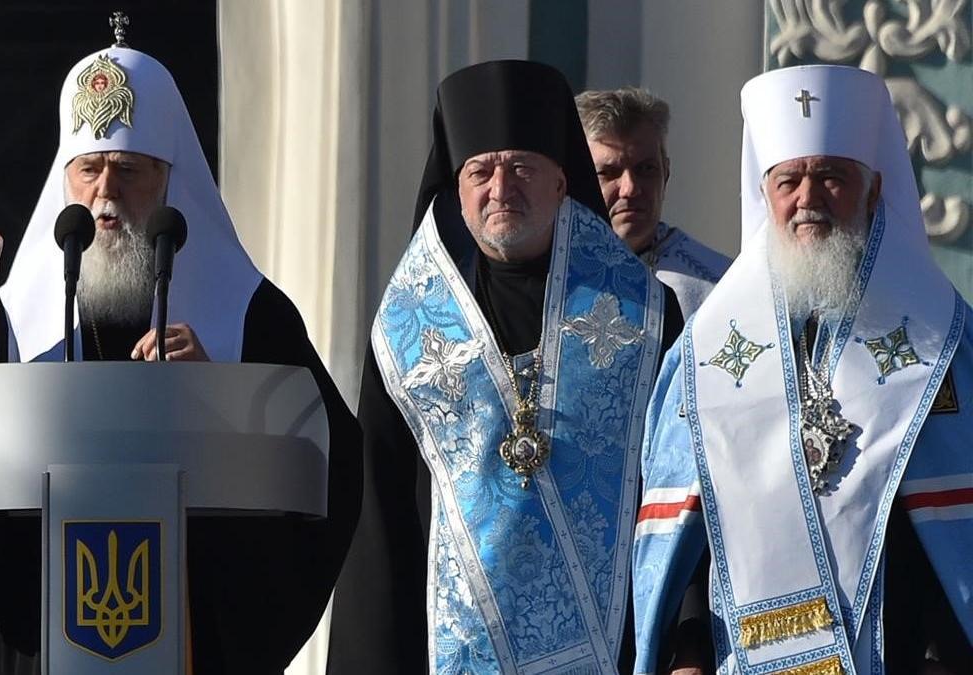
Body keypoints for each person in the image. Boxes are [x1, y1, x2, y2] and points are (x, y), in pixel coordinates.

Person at [0, 21, 360, 675]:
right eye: (90, 171)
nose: (106, 196)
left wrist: (222, 400)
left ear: (169, 181)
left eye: (129, 172)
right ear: (65, 180)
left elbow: (329, 465)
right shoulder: (8, 321)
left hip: (198, 645)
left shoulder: (246, 315)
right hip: (49, 644)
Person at [328, 60, 684, 675]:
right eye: (480, 172)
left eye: (521, 167)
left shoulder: (644, 313)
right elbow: (379, 512)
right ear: (457, 188)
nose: (501, 188)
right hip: (448, 648)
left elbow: (678, 485)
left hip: (613, 648)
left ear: (560, 181)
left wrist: (686, 640)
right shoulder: (408, 326)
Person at [633, 65, 971, 675]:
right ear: (766, 192)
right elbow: (683, 513)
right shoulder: (708, 349)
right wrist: (687, 646)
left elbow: (959, 524)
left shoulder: (940, 338)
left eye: (832, 178)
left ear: (873, 191)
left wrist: (941, 653)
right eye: (789, 180)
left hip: (900, 652)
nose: (808, 199)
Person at [576, 87, 730, 317]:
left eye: (645, 169)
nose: (630, 189)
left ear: (665, 174)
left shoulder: (720, 287)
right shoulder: (548, 273)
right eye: (609, 173)